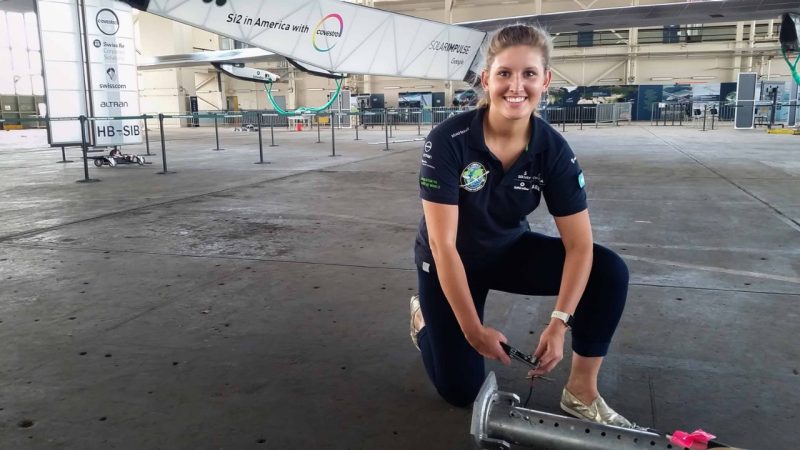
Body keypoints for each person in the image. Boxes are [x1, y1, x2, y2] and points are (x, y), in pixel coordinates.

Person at [410, 24, 638, 428]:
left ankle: (581, 391)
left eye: (529, 74)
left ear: (545, 80)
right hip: (449, 261)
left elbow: (580, 247)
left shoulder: (551, 149)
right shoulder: (448, 141)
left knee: (609, 271)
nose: (516, 86)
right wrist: (473, 329)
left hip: (507, 250)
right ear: (486, 79)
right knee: (460, 393)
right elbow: (443, 246)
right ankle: (426, 321)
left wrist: (559, 321)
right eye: (504, 74)